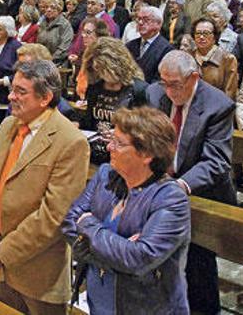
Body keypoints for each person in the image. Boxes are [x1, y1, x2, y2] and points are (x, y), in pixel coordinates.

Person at [0, 60, 90, 314]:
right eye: (12, 88)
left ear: (45, 97)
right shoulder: (7, 126)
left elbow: (53, 216)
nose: (11, 96)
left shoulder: (71, 142)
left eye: (21, 91)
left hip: (38, 275)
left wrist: (3, 252)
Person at [62, 107, 190, 315]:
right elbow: (69, 222)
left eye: (119, 143)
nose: (109, 146)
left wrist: (89, 225)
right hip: (99, 302)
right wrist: (117, 254)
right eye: (112, 138)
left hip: (144, 308)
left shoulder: (170, 198)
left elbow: (139, 258)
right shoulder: (106, 175)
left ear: (147, 153)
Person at [146, 50, 236, 314]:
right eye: (164, 82)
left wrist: (181, 185)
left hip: (201, 193)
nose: (168, 91)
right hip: (161, 187)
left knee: (198, 267)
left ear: (194, 77)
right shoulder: (155, 94)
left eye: (175, 84)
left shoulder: (217, 105)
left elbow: (217, 161)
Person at [80, 37, 148, 136]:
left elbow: (144, 128)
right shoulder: (95, 87)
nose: (100, 73)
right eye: (97, 69)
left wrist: (118, 134)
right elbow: (89, 122)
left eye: (103, 68)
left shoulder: (139, 90)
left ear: (116, 65)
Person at [191, 17, 238, 100]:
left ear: (215, 36)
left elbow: (229, 94)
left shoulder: (228, 59)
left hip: (217, 107)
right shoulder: (188, 56)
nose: (201, 37)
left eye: (206, 33)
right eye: (198, 33)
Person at [125, 6, 173, 84]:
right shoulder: (129, 45)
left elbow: (160, 82)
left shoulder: (167, 50)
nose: (140, 23)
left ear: (158, 24)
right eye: (139, 19)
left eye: (146, 20)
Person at [36, 0, 73, 66]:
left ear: (59, 9)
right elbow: (38, 44)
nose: (48, 10)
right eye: (46, 7)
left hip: (58, 63)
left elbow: (63, 49)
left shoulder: (64, 25)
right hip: (41, 61)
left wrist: (50, 60)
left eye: (52, 7)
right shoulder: (42, 23)